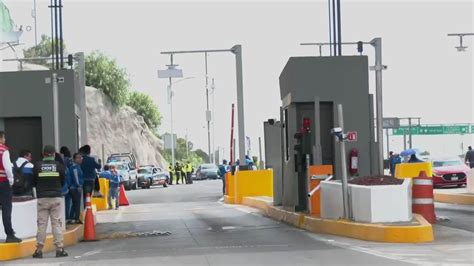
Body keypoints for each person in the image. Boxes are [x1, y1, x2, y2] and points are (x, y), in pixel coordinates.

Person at [32, 145, 68, 258]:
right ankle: (59, 249)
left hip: (42, 197)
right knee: (56, 223)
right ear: (53, 154)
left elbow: (34, 181)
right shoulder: (59, 166)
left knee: (42, 224)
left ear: (43, 154)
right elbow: (63, 181)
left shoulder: (37, 166)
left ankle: (39, 250)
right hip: (56, 197)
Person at [0, 131, 22, 243]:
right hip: (3, 183)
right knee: (6, 209)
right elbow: (8, 167)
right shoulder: (4, 150)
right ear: (1, 138)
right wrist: (11, 180)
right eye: (3, 138)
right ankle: (9, 234)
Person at [68, 153, 83, 224]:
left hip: (74, 187)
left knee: (74, 203)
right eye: (78, 158)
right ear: (74, 159)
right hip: (75, 188)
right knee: (77, 203)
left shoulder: (77, 166)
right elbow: (76, 178)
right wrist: (78, 186)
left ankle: (72, 218)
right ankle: (76, 218)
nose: (80, 159)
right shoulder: (75, 167)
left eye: (80, 158)